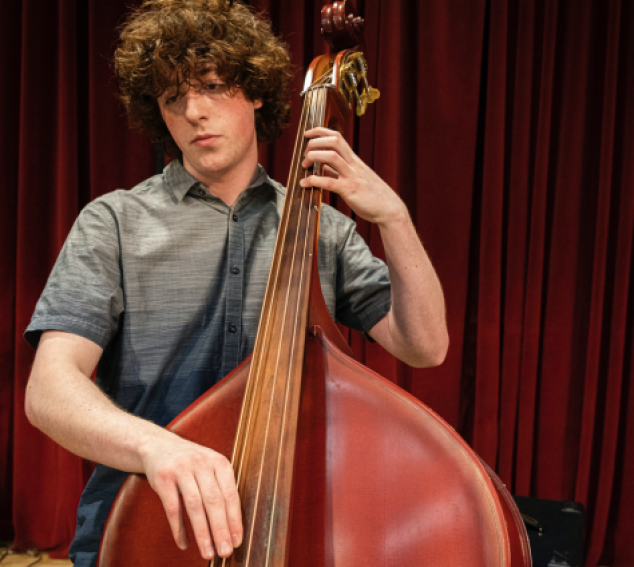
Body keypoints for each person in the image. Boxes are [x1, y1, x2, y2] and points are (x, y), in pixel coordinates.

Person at [24, 0, 448, 565]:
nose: (195, 112)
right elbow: (49, 390)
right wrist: (157, 447)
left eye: (215, 86)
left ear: (255, 92)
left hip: (294, 524)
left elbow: (425, 345)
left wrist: (394, 218)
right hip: (143, 526)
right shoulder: (114, 223)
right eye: (174, 98)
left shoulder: (325, 231)